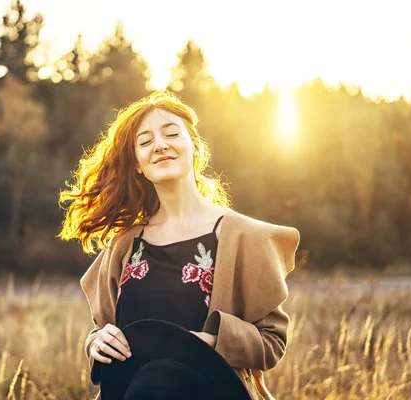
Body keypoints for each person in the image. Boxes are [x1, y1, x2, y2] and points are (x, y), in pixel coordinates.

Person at [58, 90, 300, 400]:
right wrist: (95, 343)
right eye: (145, 142)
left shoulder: (244, 237)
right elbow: (102, 331)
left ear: (196, 147)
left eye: (171, 134)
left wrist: (211, 343)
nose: (160, 145)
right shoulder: (125, 244)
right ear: (138, 165)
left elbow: (271, 343)